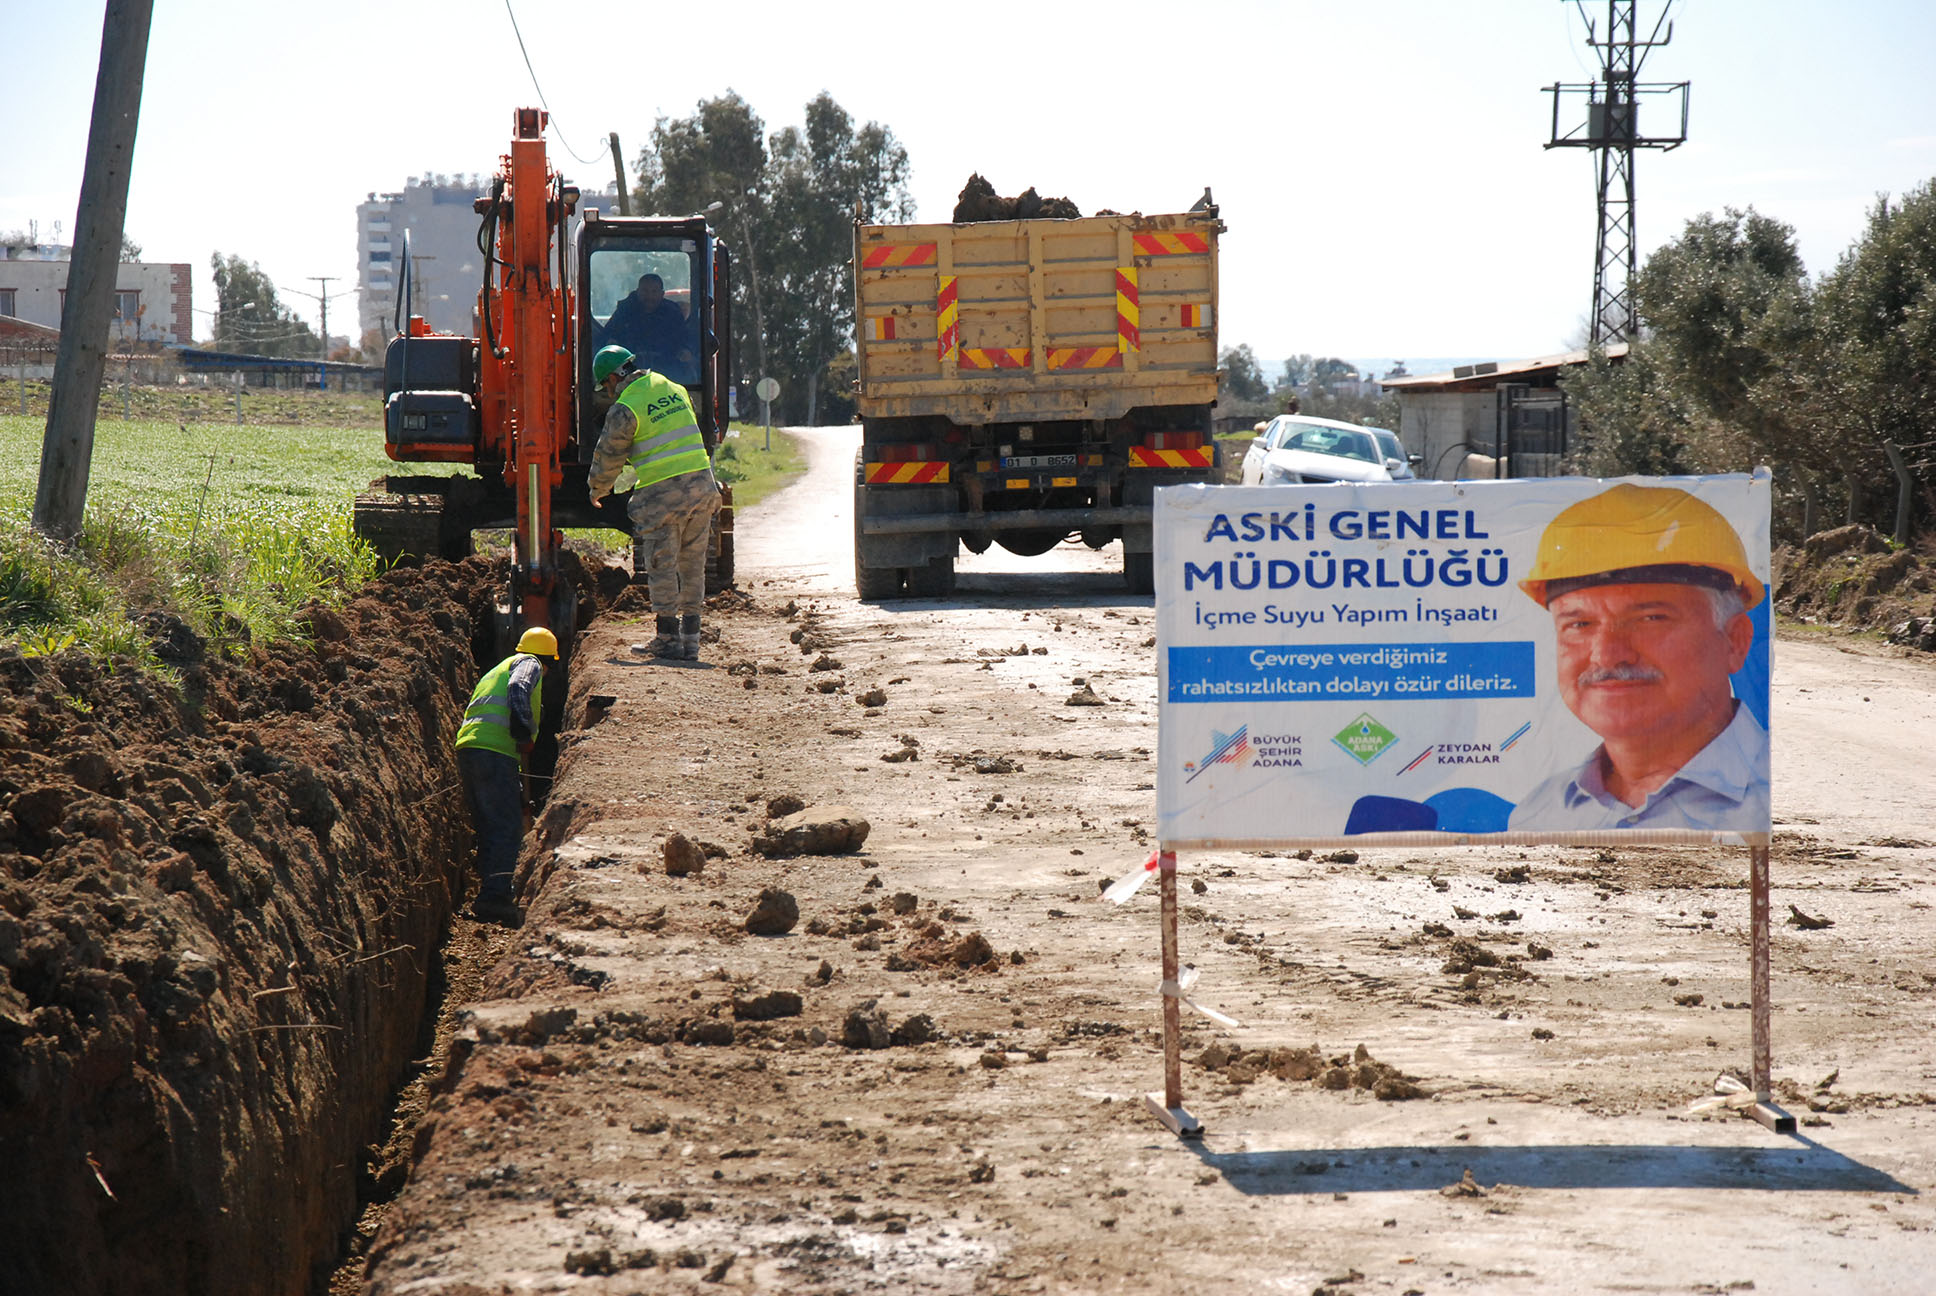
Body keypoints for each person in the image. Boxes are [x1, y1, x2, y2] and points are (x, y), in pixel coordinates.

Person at [1509, 483, 1769, 833]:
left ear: (1734, 642)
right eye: (1580, 624)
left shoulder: (1776, 805)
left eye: (1651, 619)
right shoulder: (1539, 814)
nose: (1607, 655)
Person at [587, 344, 720, 660]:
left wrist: (597, 490)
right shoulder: (672, 387)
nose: (607, 391)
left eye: (605, 385)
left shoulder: (625, 408)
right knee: (692, 564)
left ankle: (666, 639)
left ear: (613, 377)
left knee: (662, 563)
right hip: (702, 485)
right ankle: (691, 640)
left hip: (663, 494)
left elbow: (609, 455)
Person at [453, 626, 559, 923]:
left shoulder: (496, 669)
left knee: (489, 825)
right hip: (495, 751)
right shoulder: (530, 663)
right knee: (506, 826)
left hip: (471, 748)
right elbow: (519, 688)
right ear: (547, 657)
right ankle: (495, 897)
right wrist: (522, 728)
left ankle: (490, 890)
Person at [597, 274, 693, 380]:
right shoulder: (624, 311)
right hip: (628, 370)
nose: (649, 297)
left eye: (654, 292)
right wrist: (611, 342)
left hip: (667, 369)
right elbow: (606, 336)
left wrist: (686, 350)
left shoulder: (673, 313)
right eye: (645, 291)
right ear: (638, 292)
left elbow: (685, 338)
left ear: (662, 294)